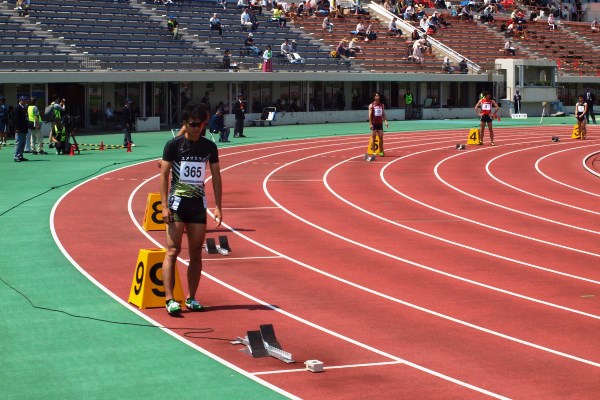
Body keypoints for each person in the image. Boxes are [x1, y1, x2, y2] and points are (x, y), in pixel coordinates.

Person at [160, 103, 223, 315]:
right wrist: (163, 206)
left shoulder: (209, 147)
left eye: (200, 125)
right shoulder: (173, 145)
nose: (196, 128)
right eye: (192, 124)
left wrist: (218, 206)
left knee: (196, 252)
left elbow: (216, 176)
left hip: (197, 205)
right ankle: (169, 299)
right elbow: (164, 175)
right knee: (172, 251)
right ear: (185, 124)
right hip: (177, 205)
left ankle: (192, 297)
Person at [368, 92, 388, 157]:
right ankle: (374, 152)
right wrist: (370, 124)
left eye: (378, 96)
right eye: (376, 96)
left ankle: (381, 151)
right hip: (374, 123)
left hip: (380, 124)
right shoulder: (371, 105)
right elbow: (369, 115)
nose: (377, 97)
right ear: (374, 97)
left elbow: (383, 114)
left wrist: (385, 121)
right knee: (373, 138)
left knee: (381, 138)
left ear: (379, 97)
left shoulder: (382, 105)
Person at [14, 95, 29, 162]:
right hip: (19, 129)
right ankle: (16, 156)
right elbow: (16, 119)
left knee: (23, 143)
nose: (25, 101)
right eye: (24, 100)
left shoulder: (24, 107)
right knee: (18, 143)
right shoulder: (17, 108)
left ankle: (21, 155)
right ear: (20, 100)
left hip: (24, 128)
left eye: (25, 100)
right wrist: (17, 128)